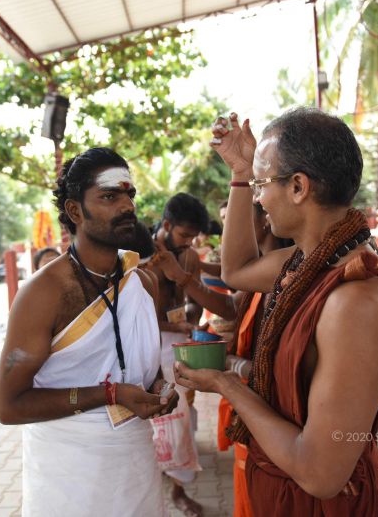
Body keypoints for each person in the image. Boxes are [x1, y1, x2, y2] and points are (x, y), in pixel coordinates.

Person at [175, 108, 378, 516]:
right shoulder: (306, 262)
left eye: (260, 184)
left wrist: (227, 385)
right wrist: (240, 173)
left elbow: (321, 474)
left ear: (299, 187)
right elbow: (237, 270)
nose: (257, 197)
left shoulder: (357, 298)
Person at [0, 147, 178, 517]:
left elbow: (149, 372)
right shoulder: (43, 292)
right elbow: (9, 406)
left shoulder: (143, 283)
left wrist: (160, 391)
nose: (127, 206)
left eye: (130, 195)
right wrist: (110, 394)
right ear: (75, 211)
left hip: (136, 470)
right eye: (110, 196)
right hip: (67, 481)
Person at [145, 192, 210, 517]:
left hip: (178, 345)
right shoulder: (140, 257)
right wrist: (177, 326)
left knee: (179, 418)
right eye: (184, 235)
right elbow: (136, 316)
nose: (188, 242)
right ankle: (152, 480)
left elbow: (195, 300)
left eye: (193, 237)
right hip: (145, 345)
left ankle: (179, 490)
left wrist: (192, 321)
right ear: (167, 225)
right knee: (149, 419)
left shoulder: (190, 257)